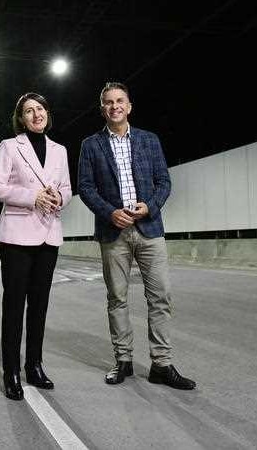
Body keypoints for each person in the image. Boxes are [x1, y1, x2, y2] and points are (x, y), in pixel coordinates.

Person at [77, 82, 196, 390]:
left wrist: (150, 206)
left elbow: (163, 182)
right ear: (102, 108)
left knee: (160, 297)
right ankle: (123, 361)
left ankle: (162, 365)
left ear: (129, 106)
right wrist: (109, 212)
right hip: (112, 231)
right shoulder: (90, 145)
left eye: (119, 101)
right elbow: (86, 188)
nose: (114, 106)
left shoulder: (149, 140)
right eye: (108, 102)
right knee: (117, 298)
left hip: (149, 228)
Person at [0, 92, 72, 400]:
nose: (36, 114)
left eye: (41, 109)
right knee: (14, 305)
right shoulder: (10, 147)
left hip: (49, 234)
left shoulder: (59, 150)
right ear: (21, 119)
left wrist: (59, 198)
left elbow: (66, 189)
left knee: (40, 305)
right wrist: (31, 196)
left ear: (47, 113)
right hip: (17, 236)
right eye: (29, 111)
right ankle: (11, 371)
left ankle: (34, 365)